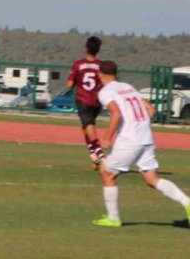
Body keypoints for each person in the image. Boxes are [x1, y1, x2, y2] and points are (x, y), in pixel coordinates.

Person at [92, 60, 190, 228]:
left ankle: (113, 218)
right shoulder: (128, 87)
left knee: (107, 174)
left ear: (100, 74)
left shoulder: (105, 92)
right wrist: (141, 126)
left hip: (129, 140)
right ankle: (187, 202)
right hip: (146, 138)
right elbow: (151, 110)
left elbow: (116, 114)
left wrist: (107, 138)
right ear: (116, 74)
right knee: (152, 179)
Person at [66, 36, 105, 169]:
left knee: (89, 128)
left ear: (86, 48)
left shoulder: (78, 64)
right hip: (96, 101)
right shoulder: (101, 66)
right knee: (87, 127)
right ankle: (94, 157)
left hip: (83, 100)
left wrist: (74, 78)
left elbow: (70, 84)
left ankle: (101, 157)